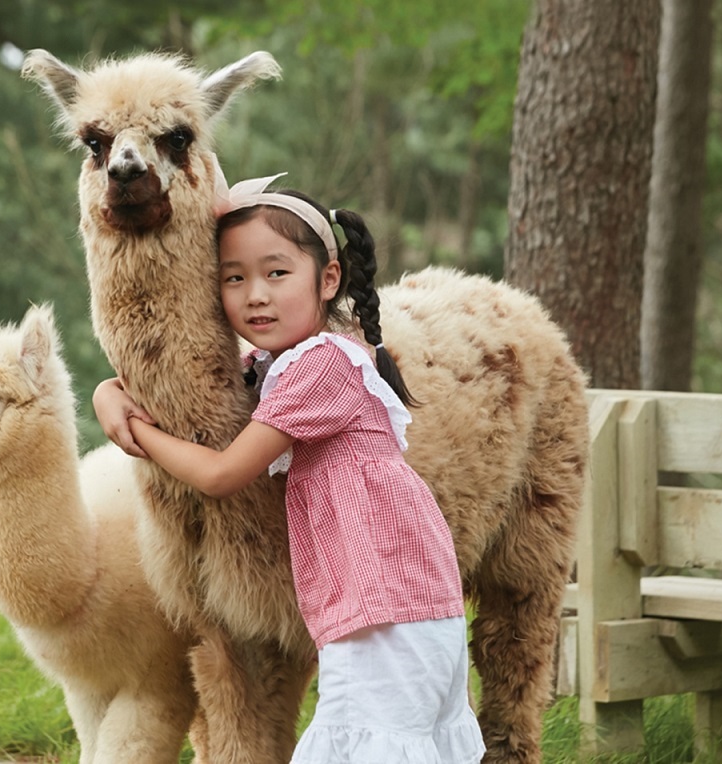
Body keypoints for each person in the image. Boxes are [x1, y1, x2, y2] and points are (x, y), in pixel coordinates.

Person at [93, 174, 486, 764]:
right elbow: (196, 389)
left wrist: (136, 432)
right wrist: (108, 389)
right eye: (234, 278)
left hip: (388, 606)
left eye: (277, 274)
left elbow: (223, 473)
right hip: (378, 601)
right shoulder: (281, 363)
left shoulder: (321, 366)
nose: (255, 295)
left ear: (328, 279)